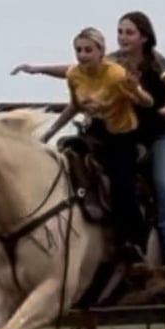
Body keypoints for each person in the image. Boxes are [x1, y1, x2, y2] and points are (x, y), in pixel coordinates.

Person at [12, 11, 165, 285]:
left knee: (163, 183)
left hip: (160, 132)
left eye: (129, 32)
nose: (123, 37)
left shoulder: (158, 64)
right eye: (120, 32)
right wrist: (38, 69)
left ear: (144, 36)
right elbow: (79, 69)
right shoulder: (114, 61)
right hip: (126, 132)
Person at [45, 26, 156, 269]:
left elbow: (147, 102)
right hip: (94, 131)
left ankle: (135, 242)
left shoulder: (116, 74)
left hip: (122, 134)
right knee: (68, 161)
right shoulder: (75, 75)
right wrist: (50, 132)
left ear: (101, 51)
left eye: (88, 50)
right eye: (78, 50)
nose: (82, 55)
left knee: (121, 185)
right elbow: (74, 106)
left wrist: (135, 88)